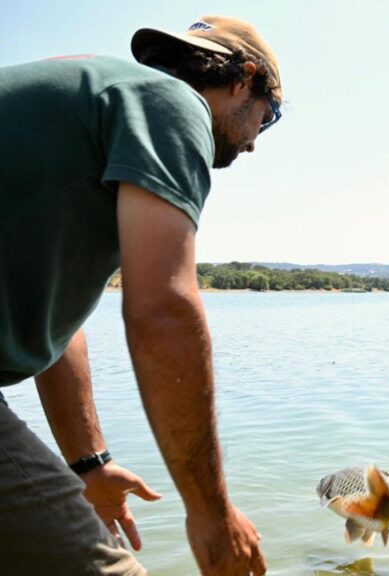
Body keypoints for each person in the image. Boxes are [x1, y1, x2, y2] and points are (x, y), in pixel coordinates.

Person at [0, 16, 283, 576]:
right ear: (242, 79)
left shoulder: (94, 104)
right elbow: (164, 311)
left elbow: (57, 327)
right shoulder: (170, 102)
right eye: (267, 116)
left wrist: (90, 463)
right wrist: (212, 514)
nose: (254, 143)